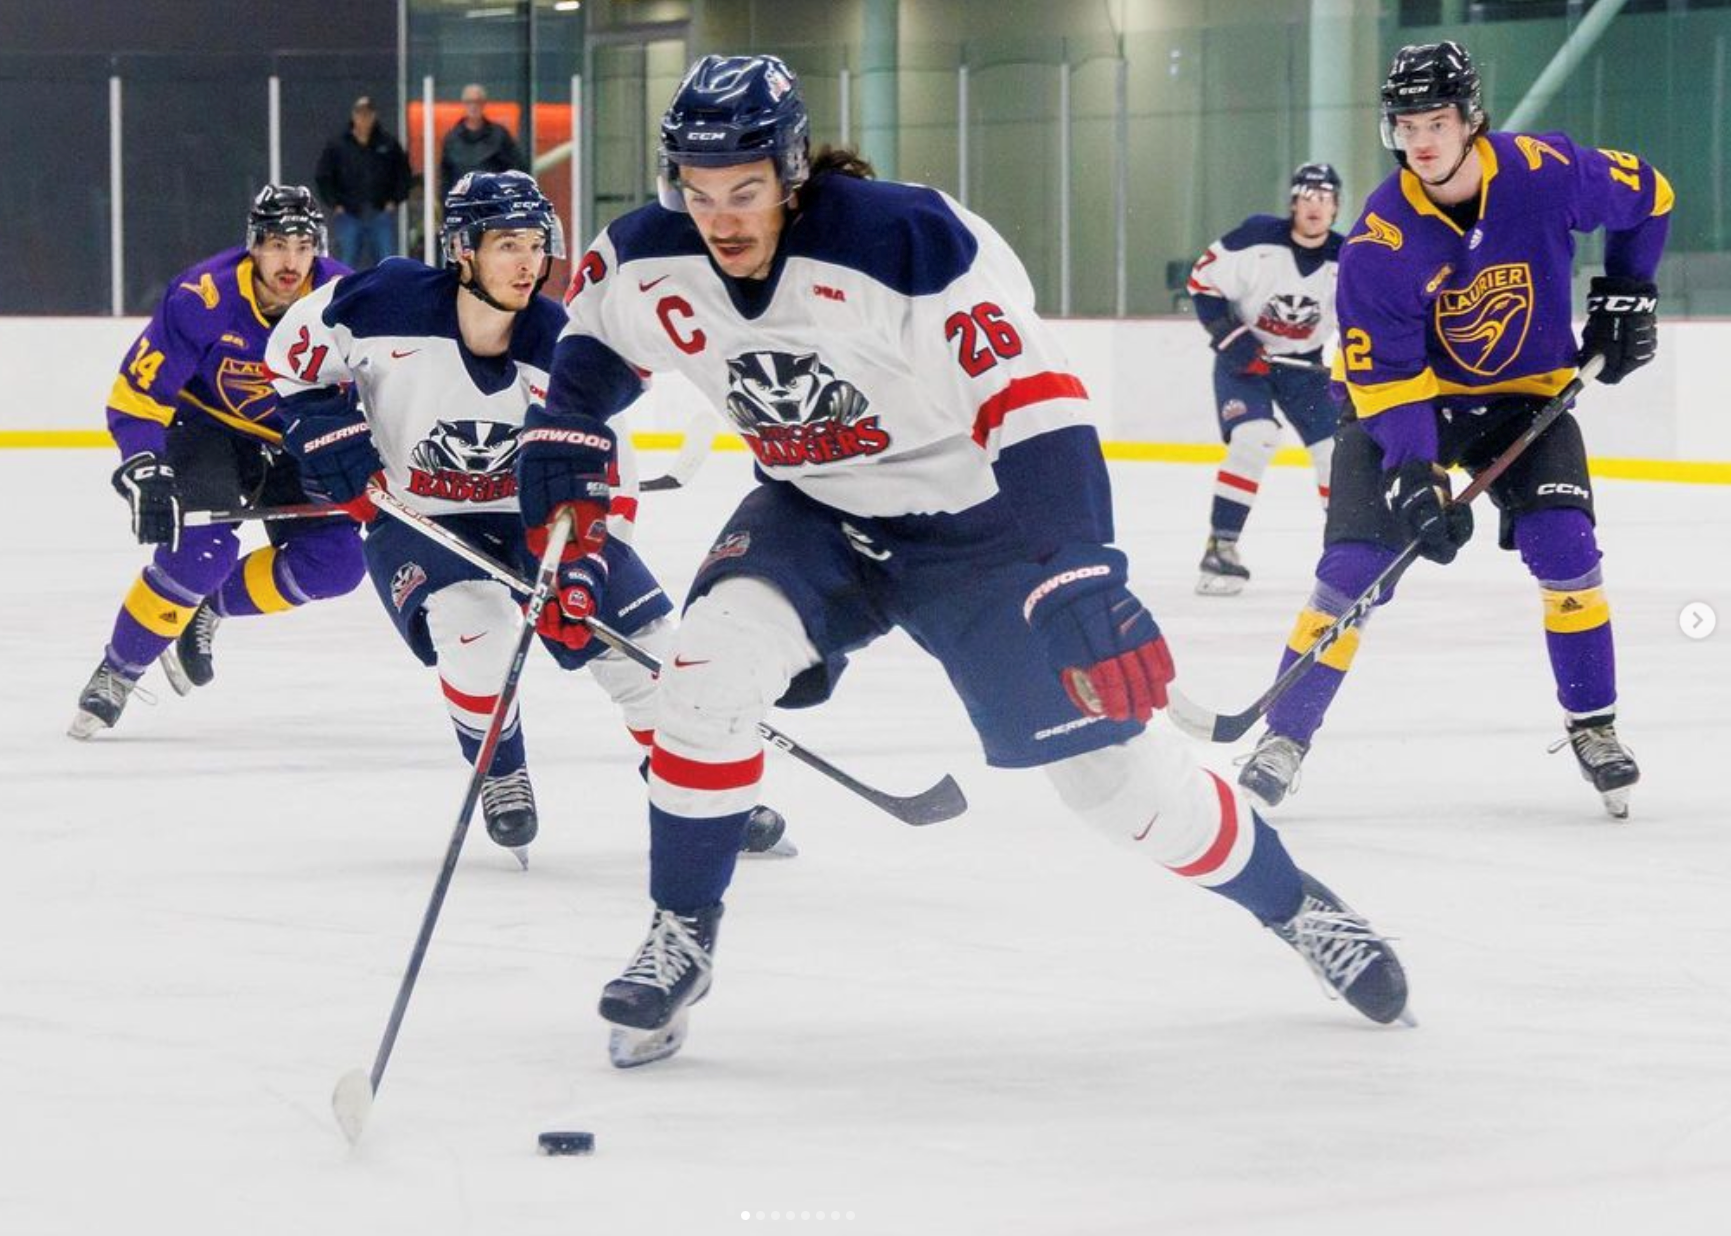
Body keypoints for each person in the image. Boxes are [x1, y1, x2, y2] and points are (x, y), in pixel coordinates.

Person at [515, 54, 1412, 1068]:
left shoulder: (905, 242)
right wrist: (567, 441)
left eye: (747, 191)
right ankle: (681, 931)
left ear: (793, 172)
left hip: (974, 530)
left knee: (1120, 790)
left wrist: (1076, 569)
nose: (720, 218)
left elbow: (1033, 408)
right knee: (705, 674)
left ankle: (1299, 909)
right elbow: (592, 352)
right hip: (814, 513)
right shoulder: (647, 255)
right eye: (699, 190)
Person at [266, 171, 789, 863]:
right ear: (463, 249)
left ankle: (688, 780)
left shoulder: (563, 344)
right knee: (472, 628)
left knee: (649, 652)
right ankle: (501, 765)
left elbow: (609, 471)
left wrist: (584, 566)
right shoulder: (380, 300)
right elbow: (294, 362)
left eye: (537, 244)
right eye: (507, 243)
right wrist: (329, 432)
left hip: (539, 518)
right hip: (418, 516)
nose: (527, 263)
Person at [1234, 42, 1669, 820]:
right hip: (1410, 403)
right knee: (1358, 566)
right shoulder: (1379, 239)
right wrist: (1414, 471)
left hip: (1522, 396)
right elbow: (1385, 376)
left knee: (1565, 545)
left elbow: (1654, 195)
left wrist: (1630, 288)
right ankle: (1284, 738)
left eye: (1437, 121)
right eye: (1406, 124)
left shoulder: (1545, 171)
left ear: (1473, 119)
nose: (1422, 141)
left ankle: (1594, 725)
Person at [69, 186, 364, 739]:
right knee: (199, 551)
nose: (290, 261)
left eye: (302, 246)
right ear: (253, 245)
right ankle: (119, 669)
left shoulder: (345, 297)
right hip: (208, 429)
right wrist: (145, 465)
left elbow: (384, 387)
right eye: (277, 245)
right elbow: (138, 396)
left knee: (338, 563)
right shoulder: (201, 298)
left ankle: (208, 607)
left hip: (300, 433)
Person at [1186, 162, 1346, 595]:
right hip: (1246, 363)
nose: (1316, 206)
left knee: (1337, 452)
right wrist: (1234, 341)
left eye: (1325, 198)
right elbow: (1202, 282)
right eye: (1307, 197)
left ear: (1336, 208)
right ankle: (1221, 545)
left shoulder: (1347, 258)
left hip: (1305, 369)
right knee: (1253, 438)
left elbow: (1363, 319)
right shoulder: (1255, 239)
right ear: (1293, 203)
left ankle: (1348, 548)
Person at [316, 96, 412, 270]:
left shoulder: (388, 144)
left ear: (374, 116)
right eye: (360, 114)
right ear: (353, 116)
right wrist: (335, 203)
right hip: (349, 214)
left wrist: (394, 201)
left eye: (367, 114)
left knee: (387, 263)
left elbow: (403, 174)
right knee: (345, 264)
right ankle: (346, 296)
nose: (364, 119)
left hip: (380, 213)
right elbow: (324, 176)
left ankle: (387, 296)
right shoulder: (338, 145)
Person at [440, 83, 529, 189]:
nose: (473, 106)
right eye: (469, 102)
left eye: (477, 102)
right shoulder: (451, 139)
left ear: (484, 104)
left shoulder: (499, 136)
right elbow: (446, 178)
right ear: (463, 104)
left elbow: (517, 169)